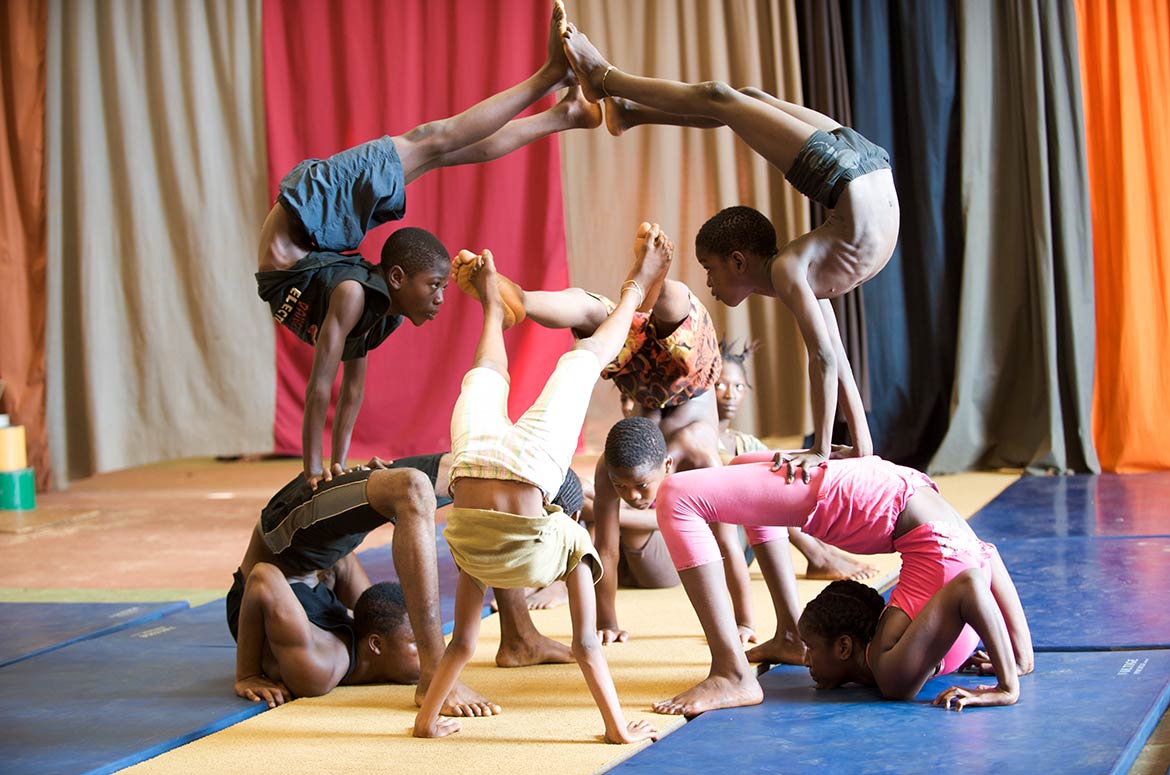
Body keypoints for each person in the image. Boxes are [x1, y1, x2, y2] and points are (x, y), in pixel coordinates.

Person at [257, 1, 603, 490]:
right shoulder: (363, 300)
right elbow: (342, 388)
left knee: (435, 140)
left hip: (308, 222)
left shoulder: (358, 297)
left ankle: (553, 82)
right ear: (396, 280)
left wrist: (320, 470)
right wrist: (328, 470)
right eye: (435, 286)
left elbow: (326, 388)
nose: (442, 298)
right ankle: (564, 112)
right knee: (440, 150)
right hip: (314, 235)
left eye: (438, 286)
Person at [560, 25, 897, 482]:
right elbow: (833, 355)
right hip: (866, 167)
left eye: (709, 270)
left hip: (853, 176)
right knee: (744, 98)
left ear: (739, 260)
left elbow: (825, 358)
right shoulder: (802, 270)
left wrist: (819, 449)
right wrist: (862, 445)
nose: (710, 285)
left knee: (727, 97)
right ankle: (629, 114)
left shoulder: (791, 269)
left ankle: (607, 80)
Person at [412, 224, 672, 742]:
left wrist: (428, 720)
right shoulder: (567, 544)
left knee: (580, 359)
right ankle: (623, 289)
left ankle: (517, 304)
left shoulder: (493, 552)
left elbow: (463, 644)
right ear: (564, 514)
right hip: (471, 474)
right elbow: (585, 647)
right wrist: (618, 730)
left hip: (514, 475)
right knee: (495, 375)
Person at [461, 239, 756, 646]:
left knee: (619, 313)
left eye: (639, 488)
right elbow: (606, 548)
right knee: (605, 317)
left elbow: (726, 540)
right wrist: (607, 621)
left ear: (666, 468)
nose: (634, 495)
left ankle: (639, 288)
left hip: (679, 382)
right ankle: (528, 300)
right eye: (628, 488)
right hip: (660, 381)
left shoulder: (697, 449)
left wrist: (744, 619)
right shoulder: (619, 462)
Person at [641, 448, 1033, 716]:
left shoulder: (895, 672)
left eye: (811, 648)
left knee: (675, 495)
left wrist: (1007, 684)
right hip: (899, 495)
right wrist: (1016, 659)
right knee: (741, 467)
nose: (809, 663)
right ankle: (788, 635)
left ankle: (732, 673)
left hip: (886, 499)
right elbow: (981, 560)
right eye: (809, 648)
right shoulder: (901, 660)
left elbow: (973, 577)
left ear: (845, 646)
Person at [229, 453, 582, 716]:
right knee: (422, 486)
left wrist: (363, 491)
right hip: (287, 545)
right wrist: (248, 675)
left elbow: (265, 579)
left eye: (418, 645)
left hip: (297, 563)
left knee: (485, 483)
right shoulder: (325, 667)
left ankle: (520, 637)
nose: (419, 646)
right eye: (416, 644)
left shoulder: (332, 657)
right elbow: (262, 576)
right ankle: (437, 671)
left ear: (376, 646)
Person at [716, 338, 878, 582]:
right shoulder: (701, 442)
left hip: (751, 545)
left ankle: (824, 551)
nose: (731, 394)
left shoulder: (744, 442)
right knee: (763, 490)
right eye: (720, 385)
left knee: (786, 480)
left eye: (739, 387)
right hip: (721, 545)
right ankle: (818, 557)